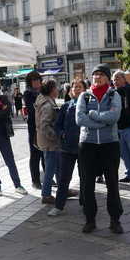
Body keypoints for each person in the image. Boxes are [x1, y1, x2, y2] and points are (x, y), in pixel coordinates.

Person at [76, 64, 124, 234]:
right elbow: (80, 119)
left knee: (112, 182)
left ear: (107, 77)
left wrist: (94, 115)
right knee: (87, 183)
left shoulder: (114, 95)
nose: (97, 77)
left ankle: (115, 219)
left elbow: (115, 116)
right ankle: (90, 219)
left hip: (109, 143)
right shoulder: (84, 96)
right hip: (87, 143)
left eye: (101, 74)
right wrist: (104, 121)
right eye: (95, 74)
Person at [0, 78, 27, 197]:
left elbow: (7, 113)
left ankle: (17, 185)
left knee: (10, 160)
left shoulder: (2, 98)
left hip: (3, 132)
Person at [49, 79, 86, 216]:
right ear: (71, 90)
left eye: (80, 87)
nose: (77, 89)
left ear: (84, 90)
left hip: (84, 147)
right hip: (67, 148)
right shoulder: (66, 106)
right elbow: (57, 125)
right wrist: (62, 134)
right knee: (63, 178)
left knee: (85, 178)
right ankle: (59, 206)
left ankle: (85, 203)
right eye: (75, 87)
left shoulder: (89, 106)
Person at [36, 79, 61, 204]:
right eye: (56, 87)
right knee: (50, 168)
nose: (57, 89)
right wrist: (54, 137)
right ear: (53, 90)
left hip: (47, 141)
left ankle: (62, 190)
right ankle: (46, 195)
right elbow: (44, 125)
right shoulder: (47, 105)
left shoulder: (45, 100)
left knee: (56, 167)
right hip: (49, 142)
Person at [24, 70, 44, 189]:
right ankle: (35, 180)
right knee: (35, 152)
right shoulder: (28, 93)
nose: (36, 82)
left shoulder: (44, 92)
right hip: (34, 126)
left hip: (44, 125)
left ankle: (48, 178)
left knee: (45, 152)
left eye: (38, 79)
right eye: (34, 80)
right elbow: (31, 109)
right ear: (30, 82)